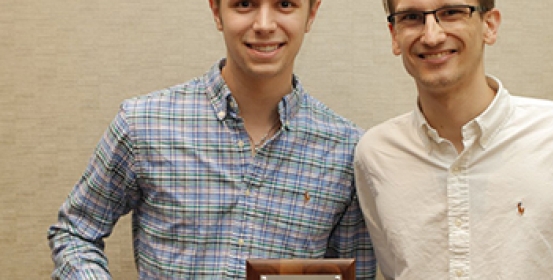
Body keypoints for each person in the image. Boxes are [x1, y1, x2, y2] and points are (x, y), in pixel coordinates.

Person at [47, 0, 376, 279]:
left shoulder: (346, 150)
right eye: (244, 3)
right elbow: (76, 231)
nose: (263, 24)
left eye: (285, 3)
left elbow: (352, 271)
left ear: (312, 12)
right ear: (216, 11)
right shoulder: (144, 124)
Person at [354, 0, 553, 279]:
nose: (432, 35)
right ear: (394, 35)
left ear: (489, 26)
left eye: (452, 12)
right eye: (411, 17)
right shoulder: (376, 155)